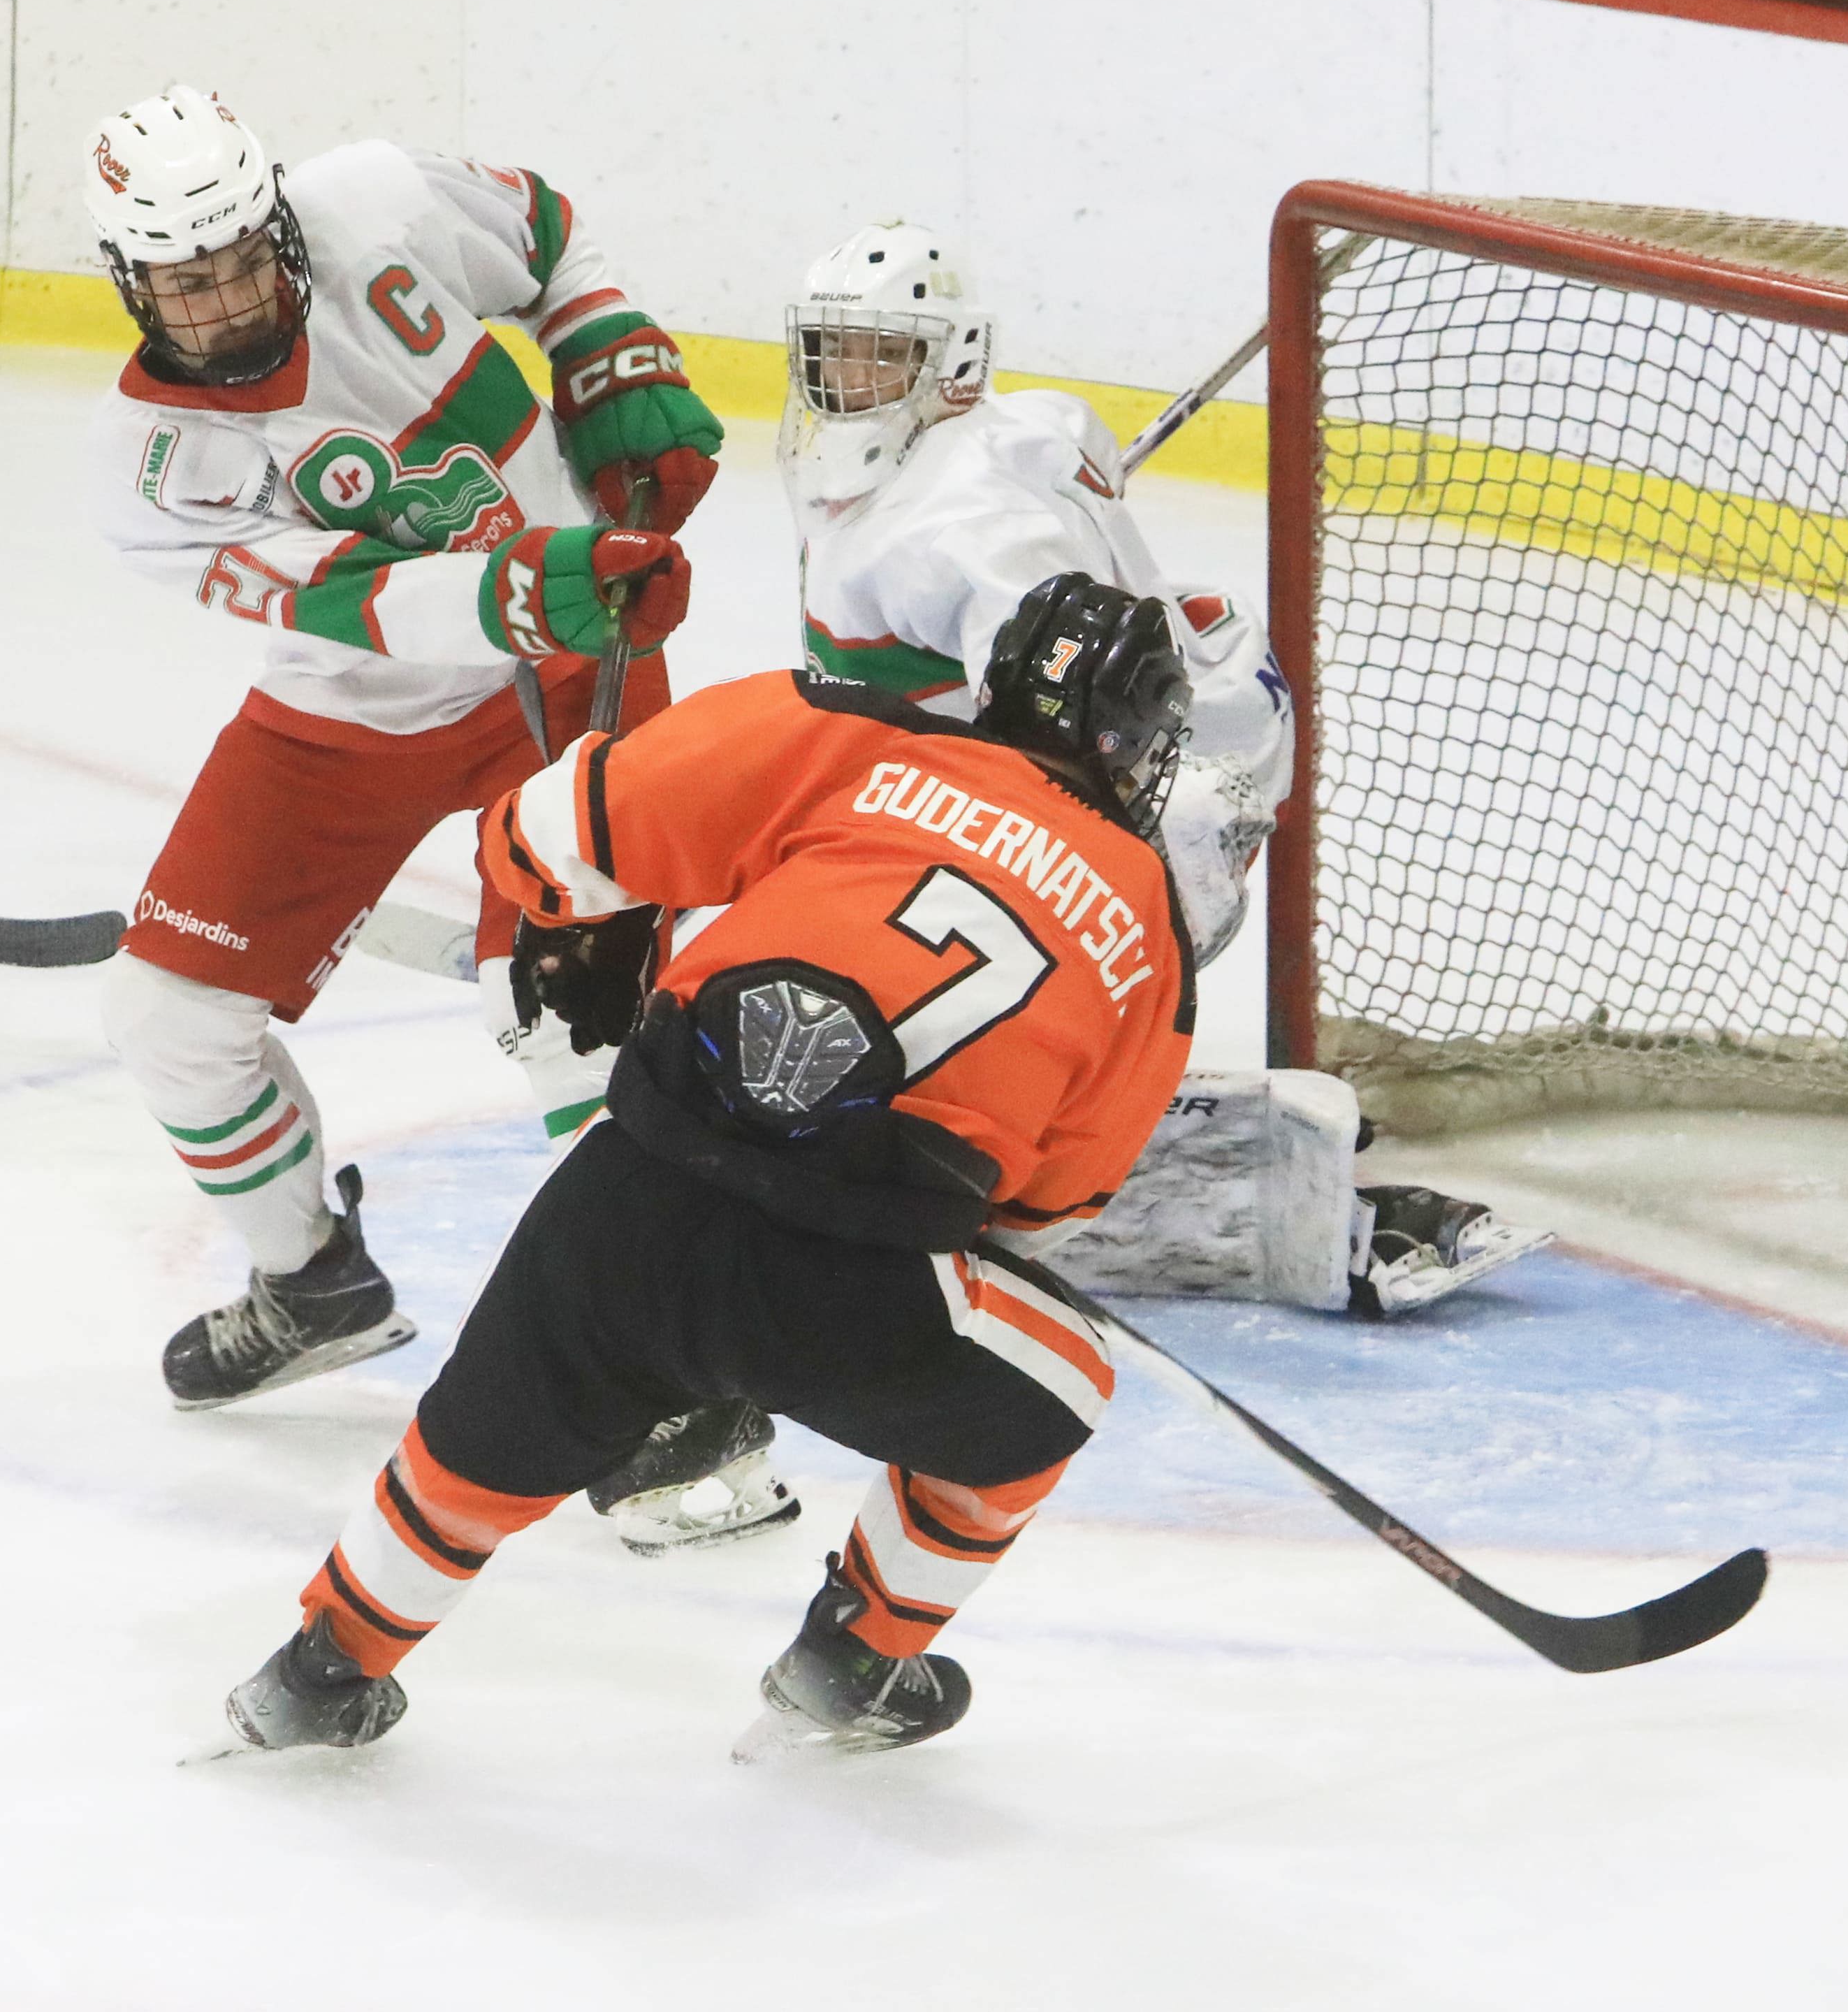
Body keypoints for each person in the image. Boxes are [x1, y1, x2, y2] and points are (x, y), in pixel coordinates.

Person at [547, 223, 1544, 1556]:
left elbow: (1074, 723)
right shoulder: (1007, 441)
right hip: (1064, 804)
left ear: (949, 366)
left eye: (878, 356)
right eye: (830, 353)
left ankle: (1158, 1222)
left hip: (1124, 837)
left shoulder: (964, 536)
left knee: (892, 1095)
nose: (841, 382)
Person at [219, 574, 1198, 1760]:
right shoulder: (1152, 928)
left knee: (468, 1457)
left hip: (626, 1201)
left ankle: (320, 1672)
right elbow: (1047, 1209)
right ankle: (856, 1657)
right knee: (1064, 1385)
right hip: (859, 1288)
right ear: (1139, 740)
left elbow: (533, 834)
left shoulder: (848, 733)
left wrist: (587, 921)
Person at [82, 87, 722, 1411]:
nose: (226, 299)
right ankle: (311, 1281)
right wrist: (520, 585)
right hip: (361, 702)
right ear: (132, 283)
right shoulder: (153, 466)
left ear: (278, 222)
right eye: (185, 282)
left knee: (570, 1021)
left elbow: (546, 237)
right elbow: (354, 600)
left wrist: (610, 356)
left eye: (243, 257)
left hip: (570, 659)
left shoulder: (378, 199)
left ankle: (658, 1373)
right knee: (167, 1019)